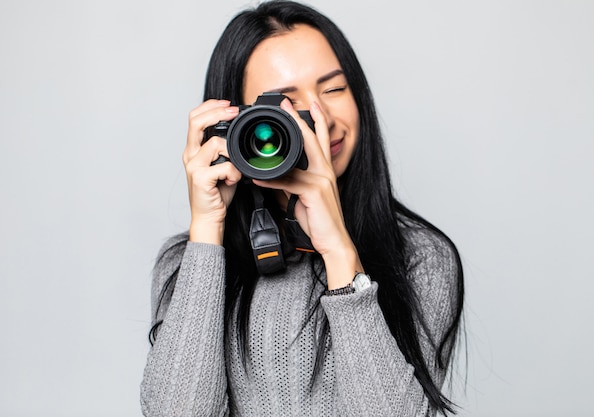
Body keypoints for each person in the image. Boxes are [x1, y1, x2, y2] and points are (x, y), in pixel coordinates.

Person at [140, 1, 464, 416]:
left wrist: (340, 256)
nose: (322, 118)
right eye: (285, 105)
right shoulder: (184, 265)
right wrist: (206, 229)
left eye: (333, 89)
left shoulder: (422, 258)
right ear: (237, 125)